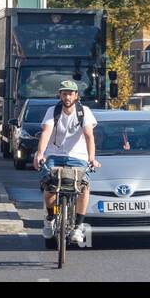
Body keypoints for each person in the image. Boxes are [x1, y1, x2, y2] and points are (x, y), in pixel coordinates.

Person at [32, 80, 99, 243]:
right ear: (60, 95)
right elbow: (46, 133)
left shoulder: (84, 112)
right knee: (49, 185)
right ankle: (50, 218)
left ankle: (77, 227)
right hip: (54, 154)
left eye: (70, 93)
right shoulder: (52, 111)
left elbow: (89, 135)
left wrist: (91, 158)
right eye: (64, 93)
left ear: (76, 96)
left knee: (84, 187)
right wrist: (40, 154)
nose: (67, 97)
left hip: (78, 156)